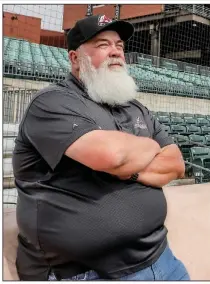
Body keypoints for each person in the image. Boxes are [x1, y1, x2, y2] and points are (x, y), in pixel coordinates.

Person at [13, 14, 189, 281]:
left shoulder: (135, 106)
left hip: (161, 260)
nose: (116, 52)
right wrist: (150, 149)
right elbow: (113, 155)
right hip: (86, 273)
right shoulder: (52, 101)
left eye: (119, 46)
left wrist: (127, 170)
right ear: (75, 59)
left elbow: (176, 165)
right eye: (103, 45)